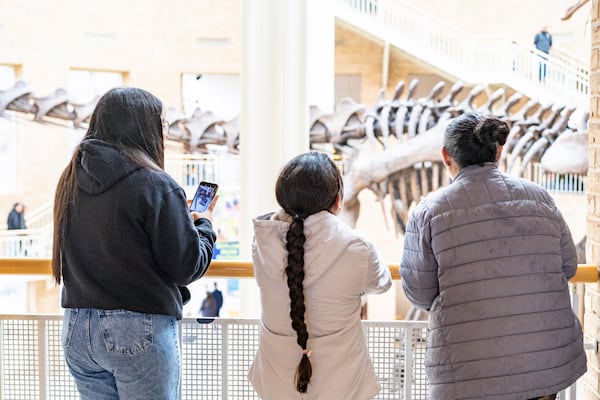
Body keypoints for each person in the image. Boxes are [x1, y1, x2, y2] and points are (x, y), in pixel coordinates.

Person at [400, 112, 587, 400]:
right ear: (498, 150)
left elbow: (420, 295)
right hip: (544, 366)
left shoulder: (429, 212)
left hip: (468, 374)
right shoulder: (540, 197)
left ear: (445, 156)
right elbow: (568, 266)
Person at [52, 87, 218, 400]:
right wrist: (205, 224)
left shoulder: (71, 176)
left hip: (77, 327)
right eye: (163, 125)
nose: (166, 133)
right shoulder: (156, 184)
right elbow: (187, 266)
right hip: (136, 330)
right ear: (145, 128)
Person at [248, 151, 392, 399]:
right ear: (338, 200)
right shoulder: (356, 246)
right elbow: (382, 284)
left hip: (275, 381)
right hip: (343, 383)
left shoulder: (262, 244)